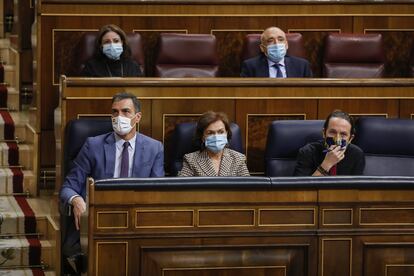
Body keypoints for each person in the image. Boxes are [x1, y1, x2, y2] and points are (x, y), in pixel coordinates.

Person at [59, 92, 163, 273]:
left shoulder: (154, 148)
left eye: (125, 112)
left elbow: (158, 192)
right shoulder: (93, 145)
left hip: (136, 219)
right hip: (99, 218)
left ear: (137, 117)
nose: (119, 117)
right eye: (115, 112)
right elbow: (68, 187)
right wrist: (76, 200)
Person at [294, 110, 365, 176]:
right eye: (332, 132)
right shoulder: (307, 152)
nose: (337, 139)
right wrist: (327, 164)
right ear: (324, 133)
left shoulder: (357, 154)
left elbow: (356, 187)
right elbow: (301, 188)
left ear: (350, 138)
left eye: (343, 134)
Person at [178, 111, 250, 176]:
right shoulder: (191, 160)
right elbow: (181, 187)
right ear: (202, 137)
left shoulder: (238, 158)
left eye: (221, 132)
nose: (216, 137)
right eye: (210, 133)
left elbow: (248, 187)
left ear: (227, 133)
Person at [241, 27, 312, 78]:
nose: (276, 43)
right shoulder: (250, 67)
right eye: (270, 40)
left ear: (286, 45)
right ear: (262, 48)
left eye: (280, 39)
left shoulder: (302, 66)